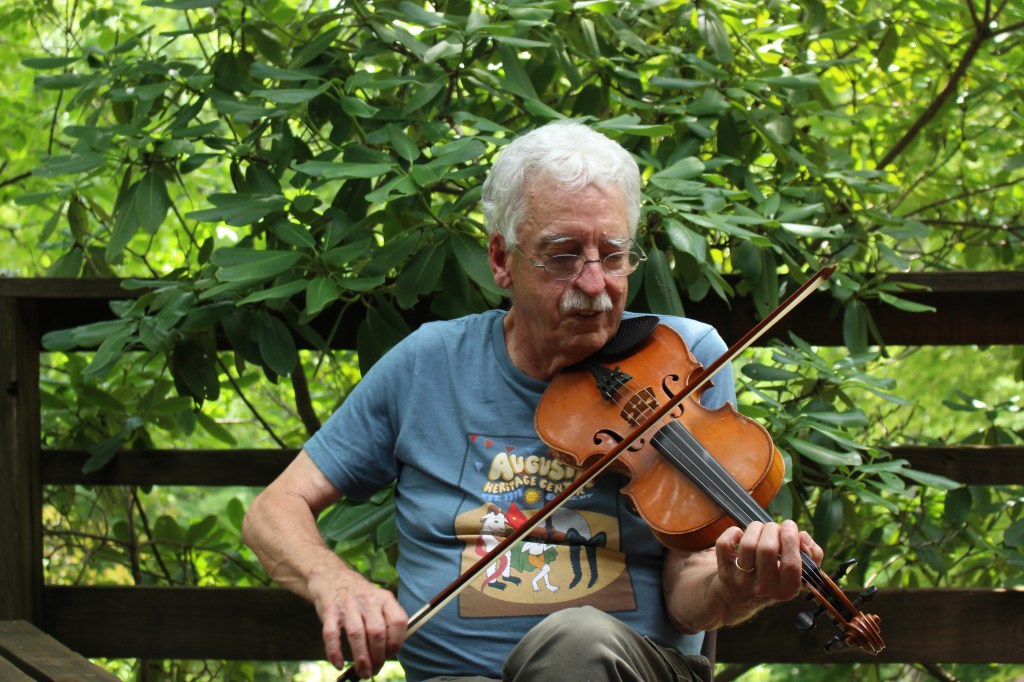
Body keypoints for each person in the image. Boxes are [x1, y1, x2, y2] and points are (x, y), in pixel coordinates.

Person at [242, 120, 823, 682]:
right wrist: (335, 581)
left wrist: (732, 585)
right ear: (501, 260)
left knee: (575, 642)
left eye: (613, 255)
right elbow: (275, 509)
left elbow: (688, 589)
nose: (595, 285)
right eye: (563, 255)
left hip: (624, 670)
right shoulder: (429, 364)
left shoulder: (686, 360)